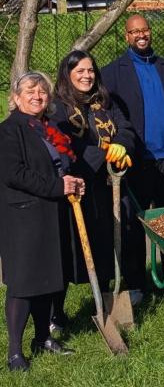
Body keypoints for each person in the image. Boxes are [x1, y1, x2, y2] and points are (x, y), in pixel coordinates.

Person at [101, 14, 164, 304]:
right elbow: (106, 118)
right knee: (134, 224)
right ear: (126, 36)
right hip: (137, 161)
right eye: (135, 32)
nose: (141, 35)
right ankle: (136, 286)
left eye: (145, 30)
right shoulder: (112, 73)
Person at [0, 72, 85, 372]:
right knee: (24, 283)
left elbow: (55, 167)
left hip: (51, 212)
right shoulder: (9, 131)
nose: (37, 95)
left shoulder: (45, 128)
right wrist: (57, 187)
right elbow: (14, 173)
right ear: (16, 97)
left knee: (48, 280)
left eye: (42, 91)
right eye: (30, 91)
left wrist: (71, 181)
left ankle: (42, 338)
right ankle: (14, 352)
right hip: (23, 217)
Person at [49, 51, 135, 334]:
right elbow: (64, 144)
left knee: (107, 243)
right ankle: (56, 314)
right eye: (80, 71)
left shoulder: (105, 101)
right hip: (76, 189)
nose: (87, 76)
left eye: (90, 71)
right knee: (68, 252)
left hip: (107, 186)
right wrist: (103, 152)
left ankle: (108, 301)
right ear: (68, 74)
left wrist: (121, 144)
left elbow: (125, 128)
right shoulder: (59, 107)